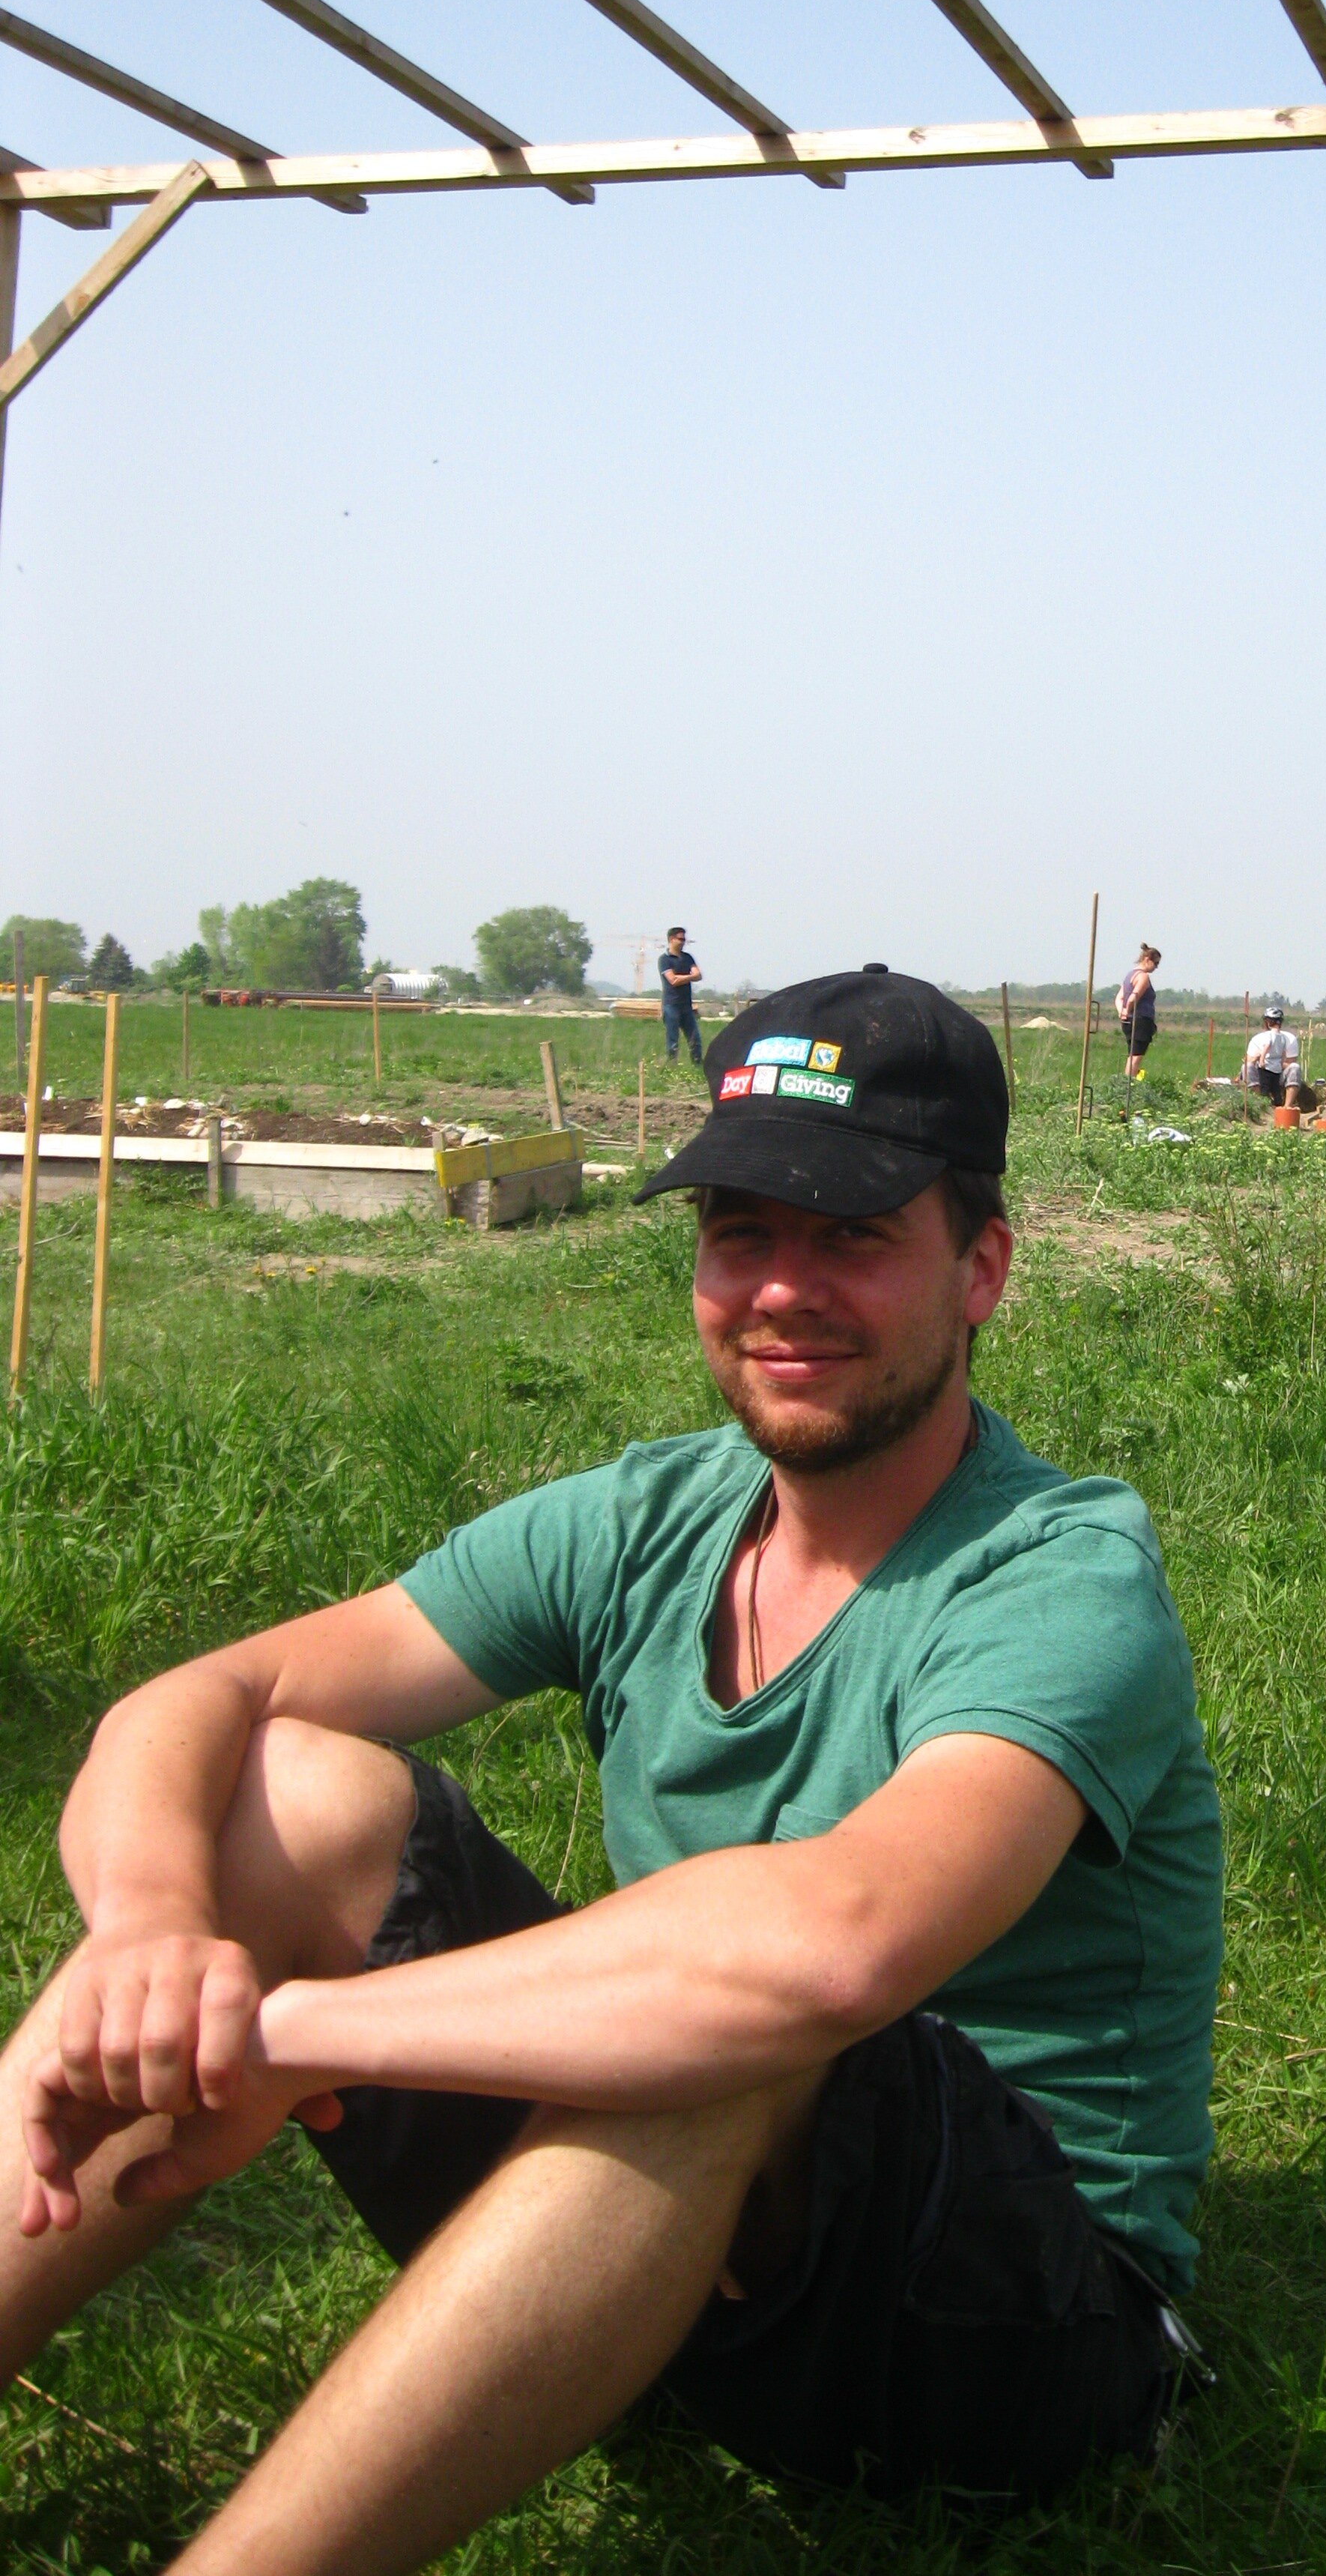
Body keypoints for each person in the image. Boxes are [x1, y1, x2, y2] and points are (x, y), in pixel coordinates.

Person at [1, 967, 1223, 2563]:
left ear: (980, 1266)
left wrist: (282, 2033)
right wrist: (156, 1935)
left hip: (1012, 2323)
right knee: (282, 1794)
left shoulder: (1060, 1571)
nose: (781, 1288)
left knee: (731, 2028)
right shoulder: (654, 1516)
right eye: (740, 1231)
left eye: (853, 1236)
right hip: (670, 2246)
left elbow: (836, 1947)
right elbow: (205, 1697)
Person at [1240, 1003, 1306, 1113]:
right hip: (1262, 1074)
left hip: (1278, 1075)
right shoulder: (1257, 1039)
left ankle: (1287, 1107)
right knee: (1246, 1067)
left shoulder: (1289, 1039)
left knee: (1295, 1067)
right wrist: (1260, 1060)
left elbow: (1290, 1063)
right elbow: (1249, 1061)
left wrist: (1275, 1064)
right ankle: (1261, 1104)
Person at [659, 926, 703, 1064]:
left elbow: (698, 975)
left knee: (694, 1039)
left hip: (686, 1006)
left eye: (684, 939)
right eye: (680, 939)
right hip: (671, 1005)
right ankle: (672, 1067)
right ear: (672, 939)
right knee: (673, 1040)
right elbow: (673, 981)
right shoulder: (664, 960)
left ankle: (697, 1065)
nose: (683, 942)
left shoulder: (688, 958)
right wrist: (689, 977)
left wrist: (681, 977)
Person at [1115, 946, 1160, 1082]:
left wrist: (1122, 1012)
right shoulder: (1143, 977)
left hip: (1128, 1021)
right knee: (1136, 1057)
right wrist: (1128, 1009)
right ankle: (1129, 1084)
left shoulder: (1130, 976)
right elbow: (1133, 997)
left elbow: (1119, 998)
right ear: (1147, 959)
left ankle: (1127, 1083)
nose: (1156, 967)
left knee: (1132, 1055)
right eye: (1155, 963)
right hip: (1140, 1021)